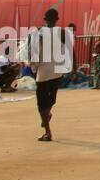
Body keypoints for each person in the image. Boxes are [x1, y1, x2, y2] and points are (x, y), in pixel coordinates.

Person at [28, 8, 73, 142]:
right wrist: (72, 68)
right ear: (56, 20)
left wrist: (33, 68)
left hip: (43, 73)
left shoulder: (38, 33)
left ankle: (48, 132)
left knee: (41, 104)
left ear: (45, 20)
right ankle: (46, 116)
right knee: (51, 99)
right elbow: (71, 51)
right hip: (57, 72)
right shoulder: (63, 33)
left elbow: (33, 52)